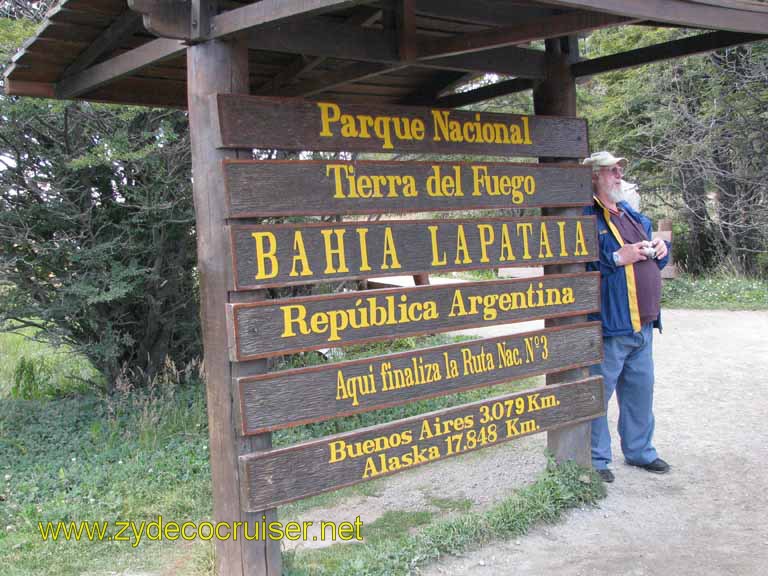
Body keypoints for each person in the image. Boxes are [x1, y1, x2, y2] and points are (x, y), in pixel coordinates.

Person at [582, 151, 671, 484]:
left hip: (643, 325)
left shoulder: (631, 214)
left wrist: (660, 250)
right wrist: (618, 257)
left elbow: (650, 258)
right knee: (598, 396)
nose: (619, 175)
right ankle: (596, 459)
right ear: (593, 177)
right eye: (611, 171)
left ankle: (639, 452)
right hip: (609, 327)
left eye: (620, 170)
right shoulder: (584, 217)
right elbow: (580, 265)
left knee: (639, 394)